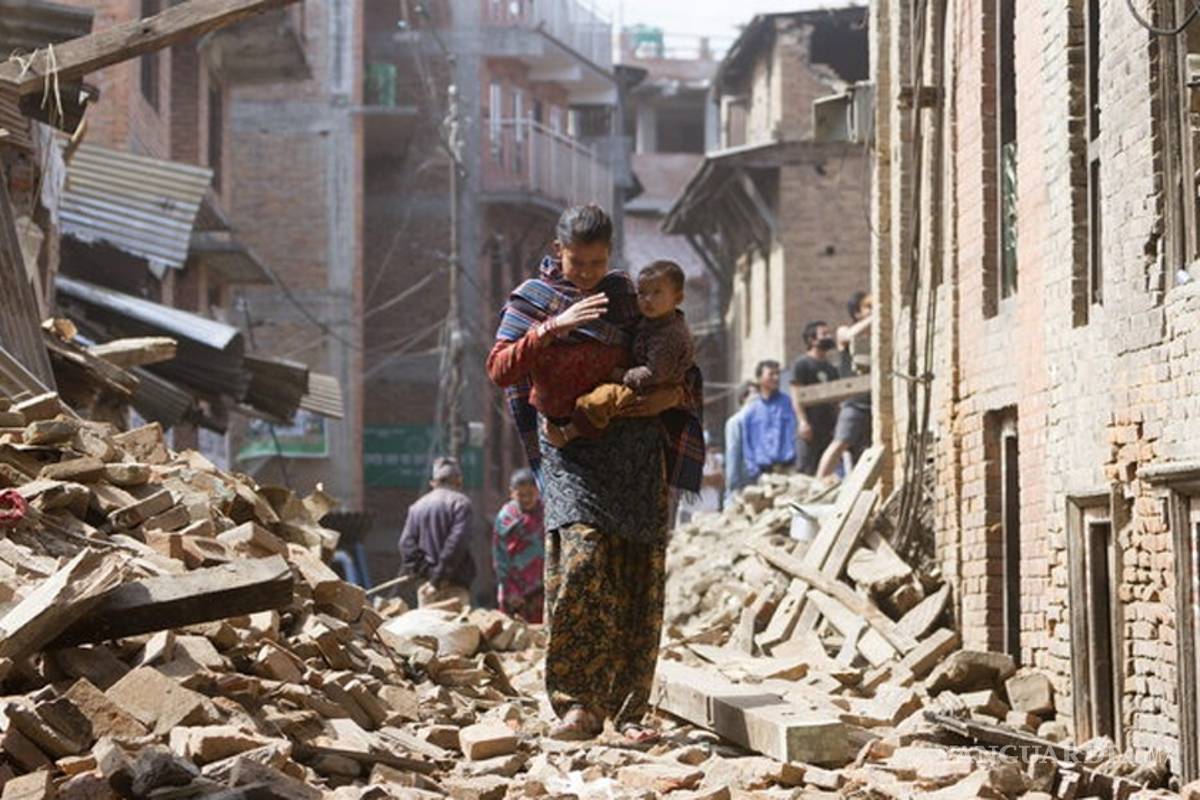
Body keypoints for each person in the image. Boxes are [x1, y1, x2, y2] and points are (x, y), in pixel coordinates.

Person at [487, 203, 704, 744]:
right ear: (557, 251)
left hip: (633, 450)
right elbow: (500, 368)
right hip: (567, 448)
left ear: (610, 256)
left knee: (635, 576)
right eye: (576, 262)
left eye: (597, 262)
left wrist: (669, 395)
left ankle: (629, 712)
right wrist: (553, 328)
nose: (586, 274)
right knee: (582, 564)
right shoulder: (534, 300)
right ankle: (577, 705)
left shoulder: (628, 297)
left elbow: (674, 352)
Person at [544, 260, 693, 446]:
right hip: (640, 382)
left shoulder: (669, 335)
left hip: (652, 389)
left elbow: (655, 373)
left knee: (604, 398)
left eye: (657, 293)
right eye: (642, 293)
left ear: (678, 298)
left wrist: (621, 375)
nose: (647, 299)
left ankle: (568, 433)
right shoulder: (647, 320)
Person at [398, 457, 475, 608]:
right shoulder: (462, 504)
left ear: (433, 483)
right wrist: (438, 577)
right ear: (459, 481)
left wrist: (427, 573)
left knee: (427, 623)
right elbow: (457, 544)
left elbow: (406, 544)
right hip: (454, 585)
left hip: (427, 587)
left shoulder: (417, 507)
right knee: (457, 623)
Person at [817, 292, 874, 479]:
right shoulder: (844, 331)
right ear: (857, 312)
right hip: (854, 402)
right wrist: (878, 315)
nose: (873, 310)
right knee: (841, 442)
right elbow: (850, 335)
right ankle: (819, 480)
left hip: (874, 402)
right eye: (869, 307)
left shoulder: (877, 337)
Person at [492, 469, 545, 623]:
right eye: (521, 495)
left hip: (544, 585)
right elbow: (500, 556)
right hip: (514, 587)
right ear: (512, 493)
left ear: (538, 491)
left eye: (531, 494)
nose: (526, 499)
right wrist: (509, 589)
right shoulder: (506, 517)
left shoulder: (547, 513)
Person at [790, 321, 841, 475]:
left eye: (829, 333)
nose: (829, 337)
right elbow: (795, 394)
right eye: (824, 334)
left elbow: (836, 401)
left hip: (828, 429)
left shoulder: (831, 369)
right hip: (810, 430)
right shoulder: (802, 364)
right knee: (806, 472)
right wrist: (803, 422)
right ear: (812, 340)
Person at [741, 359, 798, 482]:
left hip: (788, 470)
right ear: (759, 378)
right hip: (763, 474)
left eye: (777, 374)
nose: (776, 378)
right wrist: (755, 472)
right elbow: (747, 445)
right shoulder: (751, 411)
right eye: (771, 374)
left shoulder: (789, 404)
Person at [723, 381, 757, 505]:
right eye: (755, 394)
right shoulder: (736, 422)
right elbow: (733, 454)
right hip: (742, 484)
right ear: (744, 398)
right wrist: (734, 488)